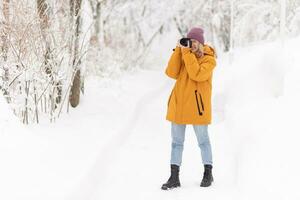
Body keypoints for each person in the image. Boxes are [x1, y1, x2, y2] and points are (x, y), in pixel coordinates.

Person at [161, 27, 217, 190]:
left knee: (203, 141)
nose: (190, 45)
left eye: (193, 42)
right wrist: (178, 51)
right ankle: (174, 177)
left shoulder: (209, 59)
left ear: (200, 43)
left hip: (198, 108)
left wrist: (186, 54)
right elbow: (171, 72)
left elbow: (196, 74)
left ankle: (208, 173)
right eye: (188, 41)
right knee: (176, 143)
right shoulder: (185, 54)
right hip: (179, 106)